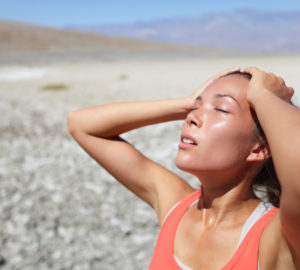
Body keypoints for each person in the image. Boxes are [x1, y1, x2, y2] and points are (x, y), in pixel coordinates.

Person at [67, 67, 300, 270]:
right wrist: (187, 102)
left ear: (258, 149)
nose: (192, 117)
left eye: (221, 109)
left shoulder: (277, 237)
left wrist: (265, 96)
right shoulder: (176, 207)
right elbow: (81, 125)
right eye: (194, 109)